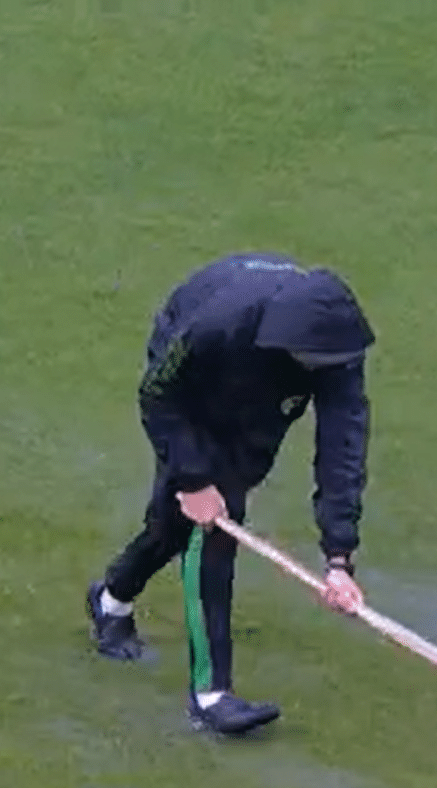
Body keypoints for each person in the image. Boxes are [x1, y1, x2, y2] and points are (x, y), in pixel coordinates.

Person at [87, 253, 373, 734]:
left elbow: (342, 447)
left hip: (262, 389)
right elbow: (157, 394)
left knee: (173, 520)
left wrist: (339, 556)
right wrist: (195, 478)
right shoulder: (215, 326)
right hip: (192, 384)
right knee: (214, 519)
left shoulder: (336, 351)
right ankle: (211, 695)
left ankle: (111, 600)